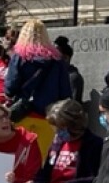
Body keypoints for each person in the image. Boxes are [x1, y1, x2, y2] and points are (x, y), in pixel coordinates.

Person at [4, 18, 72, 159]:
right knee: (41, 158)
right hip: (48, 116)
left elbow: (10, 88)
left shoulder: (19, 57)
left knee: (18, 159)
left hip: (22, 114)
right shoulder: (57, 60)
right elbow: (65, 93)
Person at [26, 99, 103, 183]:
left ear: (74, 126)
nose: (57, 133)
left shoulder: (94, 145)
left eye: (61, 129)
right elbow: (45, 174)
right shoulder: (57, 143)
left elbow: (96, 180)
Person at [53, 36, 85, 103]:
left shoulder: (73, 78)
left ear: (66, 58)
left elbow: (72, 104)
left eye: (56, 55)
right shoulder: (57, 75)